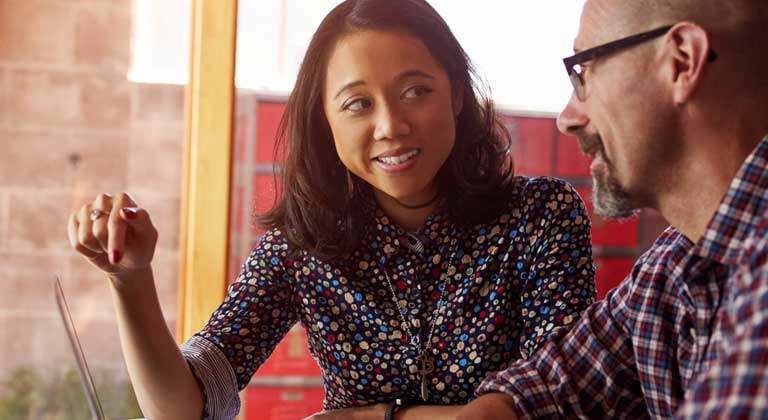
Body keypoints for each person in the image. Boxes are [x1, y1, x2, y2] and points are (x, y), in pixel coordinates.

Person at [67, 1, 596, 419]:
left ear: (456, 93)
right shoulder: (301, 247)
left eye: (416, 91)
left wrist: (380, 418)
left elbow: (562, 403)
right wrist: (129, 280)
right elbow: (186, 405)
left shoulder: (541, 217)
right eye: (358, 104)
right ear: (326, 122)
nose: (390, 125)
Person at [456, 0, 768, 419]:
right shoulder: (677, 260)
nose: (567, 118)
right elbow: (550, 387)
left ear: (681, 60)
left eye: (584, 72)